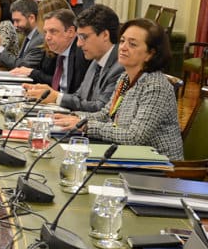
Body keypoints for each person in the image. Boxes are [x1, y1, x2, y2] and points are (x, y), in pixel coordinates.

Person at [55, 19, 183, 160]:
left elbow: (135, 137)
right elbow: (106, 115)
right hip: (128, 156)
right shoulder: (125, 78)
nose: (123, 47)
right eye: (122, 41)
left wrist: (87, 126)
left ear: (150, 54)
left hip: (160, 167)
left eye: (132, 44)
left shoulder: (156, 86)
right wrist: (74, 118)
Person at [28, 4, 123, 111]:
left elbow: (101, 109)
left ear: (105, 35)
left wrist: (57, 98)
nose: (78, 44)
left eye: (84, 37)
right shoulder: (96, 60)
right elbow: (79, 96)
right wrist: (52, 94)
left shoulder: (120, 66)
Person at [16, 8, 91, 97]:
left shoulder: (82, 54)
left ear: (70, 32)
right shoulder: (60, 51)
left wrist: (56, 98)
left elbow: (79, 97)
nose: (47, 37)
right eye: (45, 32)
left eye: (53, 31)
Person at [0, 0, 45, 69]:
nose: (15, 25)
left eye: (17, 21)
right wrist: (3, 63)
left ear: (31, 18)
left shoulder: (39, 39)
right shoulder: (28, 36)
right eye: (14, 21)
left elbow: (24, 66)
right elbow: (20, 62)